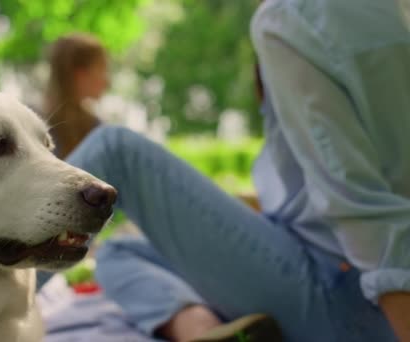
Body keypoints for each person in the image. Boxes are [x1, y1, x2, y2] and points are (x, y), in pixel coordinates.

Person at [62, 0, 410, 341]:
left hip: (351, 302)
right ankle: (203, 328)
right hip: (341, 276)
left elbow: (363, 209)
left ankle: (7, 298)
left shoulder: (292, 15)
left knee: (116, 150)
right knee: (120, 252)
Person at [43, 33, 110, 159]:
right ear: (80, 75)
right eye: (102, 69)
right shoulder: (98, 133)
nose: (107, 81)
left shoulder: (94, 125)